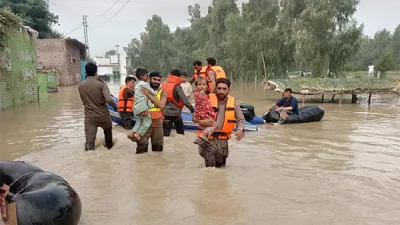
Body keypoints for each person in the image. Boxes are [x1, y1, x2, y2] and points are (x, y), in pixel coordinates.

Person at [193, 78, 245, 168]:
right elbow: (194, 118)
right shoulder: (206, 98)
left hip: (223, 140)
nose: (221, 91)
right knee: (210, 167)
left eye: (224, 89)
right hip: (208, 139)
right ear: (215, 88)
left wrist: (240, 130)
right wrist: (203, 121)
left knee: (221, 167)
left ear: (229, 90)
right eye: (219, 88)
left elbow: (240, 119)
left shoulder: (233, 102)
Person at [78, 63, 118, 151]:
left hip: (89, 117)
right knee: (108, 135)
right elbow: (109, 99)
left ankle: (89, 158)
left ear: (86, 72)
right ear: (96, 72)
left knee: (90, 142)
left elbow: (84, 101)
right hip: (103, 115)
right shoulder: (101, 84)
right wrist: (116, 107)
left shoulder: (81, 85)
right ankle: (109, 151)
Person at [130, 71, 167, 154]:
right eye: (154, 79)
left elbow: (161, 105)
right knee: (141, 148)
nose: (157, 82)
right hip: (144, 121)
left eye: (159, 80)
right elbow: (135, 104)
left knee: (157, 150)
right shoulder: (141, 88)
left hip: (157, 123)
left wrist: (148, 94)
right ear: (149, 78)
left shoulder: (163, 91)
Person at [161, 69, 195, 136]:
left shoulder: (163, 85)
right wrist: (192, 109)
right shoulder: (177, 87)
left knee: (166, 135)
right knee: (180, 134)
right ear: (178, 77)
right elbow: (185, 101)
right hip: (176, 115)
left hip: (165, 114)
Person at [129, 68, 158, 141]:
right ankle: (138, 134)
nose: (148, 77)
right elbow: (153, 93)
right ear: (141, 76)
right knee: (148, 121)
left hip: (136, 107)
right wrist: (158, 90)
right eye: (146, 76)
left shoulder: (136, 85)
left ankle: (132, 132)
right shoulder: (145, 84)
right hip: (143, 107)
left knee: (140, 120)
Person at [193, 76, 216, 146]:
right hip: (203, 114)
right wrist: (202, 92)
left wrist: (212, 81)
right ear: (196, 86)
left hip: (205, 114)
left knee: (210, 126)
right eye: (199, 84)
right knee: (214, 124)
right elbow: (198, 101)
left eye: (204, 84)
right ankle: (203, 135)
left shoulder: (206, 94)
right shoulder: (198, 93)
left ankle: (200, 138)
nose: (202, 86)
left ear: (207, 86)